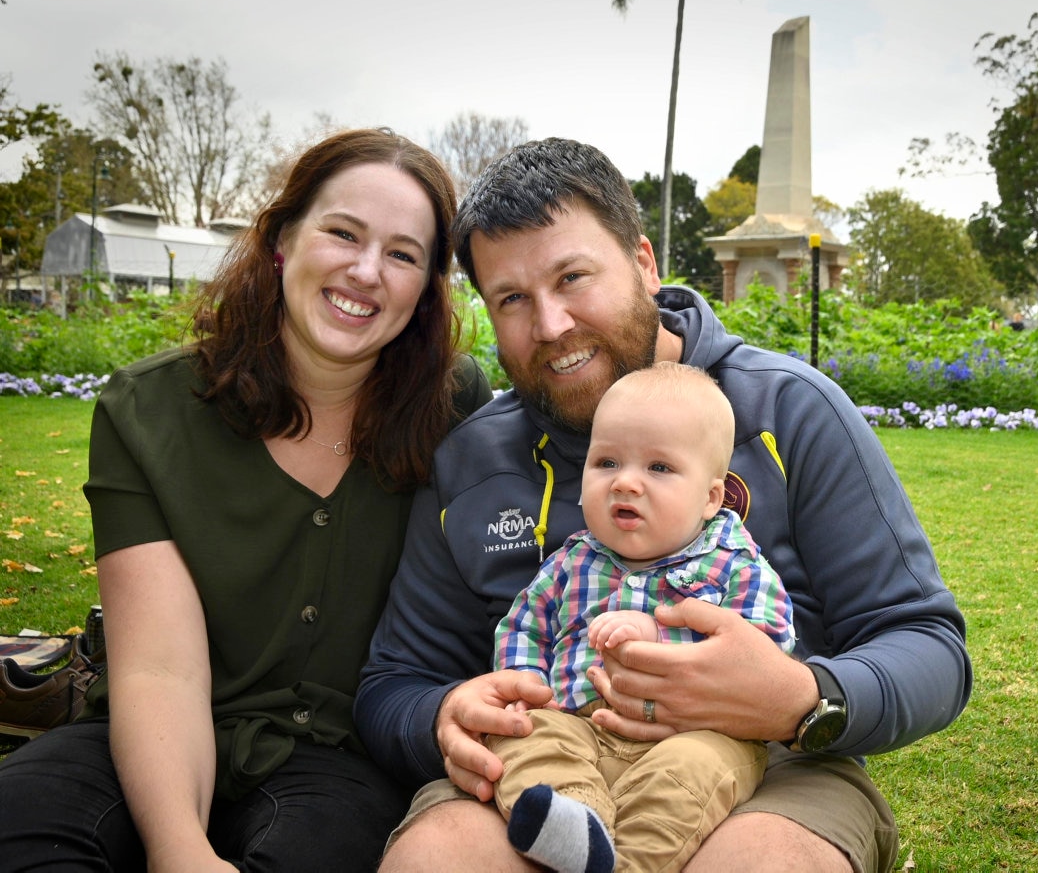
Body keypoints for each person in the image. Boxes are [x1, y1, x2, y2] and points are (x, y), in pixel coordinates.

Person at [357, 137, 972, 873]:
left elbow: (928, 643)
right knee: (438, 860)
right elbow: (393, 681)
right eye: (512, 300)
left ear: (644, 263)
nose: (550, 325)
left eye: (573, 277)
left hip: (767, 767)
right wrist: (440, 718)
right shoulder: (471, 459)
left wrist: (802, 698)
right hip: (546, 766)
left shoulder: (788, 411)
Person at [0, 128, 492, 871]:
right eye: (342, 233)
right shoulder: (149, 410)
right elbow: (160, 671)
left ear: (426, 290)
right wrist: (179, 852)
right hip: (151, 730)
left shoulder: (453, 409)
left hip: (337, 762)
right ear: (281, 241)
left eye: (402, 254)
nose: (365, 271)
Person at [491, 361, 794, 873]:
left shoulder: (732, 562)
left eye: (658, 468)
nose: (625, 483)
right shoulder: (571, 561)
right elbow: (524, 625)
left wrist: (661, 630)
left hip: (693, 735)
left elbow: (769, 642)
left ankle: (629, 862)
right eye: (606, 462)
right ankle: (576, 822)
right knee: (522, 741)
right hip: (575, 725)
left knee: (691, 778)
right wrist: (525, 685)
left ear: (711, 497)